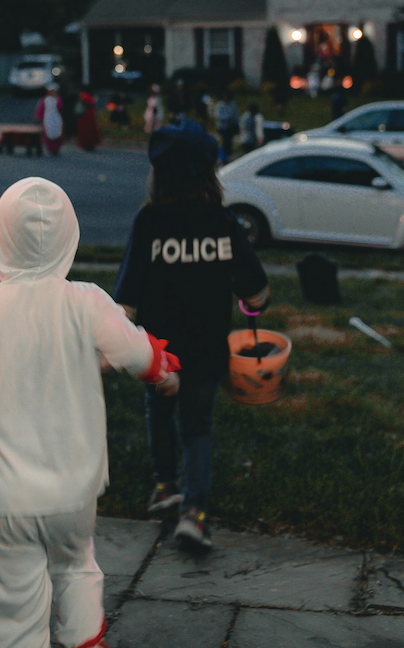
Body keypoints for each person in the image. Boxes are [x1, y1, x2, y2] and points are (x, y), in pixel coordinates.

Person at [0, 177, 180, 648]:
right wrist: (164, 374)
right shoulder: (86, 302)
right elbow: (141, 355)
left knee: (13, 609)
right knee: (77, 570)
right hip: (73, 494)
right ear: (69, 237)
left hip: (2, 499)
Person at [113, 120, 270, 550]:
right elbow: (256, 292)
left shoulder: (148, 223)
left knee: (159, 410)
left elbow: (125, 300)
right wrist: (251, 305)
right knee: (198, 426)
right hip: (205, 349)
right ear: (209, 174)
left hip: (159, 352)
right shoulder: (223, 223)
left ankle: (164, 485)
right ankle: (194, 514)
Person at [37, 84, 64, 156]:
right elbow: (41, 109)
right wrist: (40, 117)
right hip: (47, 118)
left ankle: (56, 148)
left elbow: (60, 106)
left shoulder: (58, 99)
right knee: (48, 133)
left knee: (57, 132)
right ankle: (50, 148)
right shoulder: (45, 99)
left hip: (56, 118)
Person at [213, 90, 239, 160]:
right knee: (225, 141)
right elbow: (218, 116)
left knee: (229, 141)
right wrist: (227, 118)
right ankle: (224, 155)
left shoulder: (232, 104)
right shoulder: (219, 105)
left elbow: (235, 115)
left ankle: (228, 153)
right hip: (223, 126)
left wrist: (236, 123)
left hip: (231, 126)